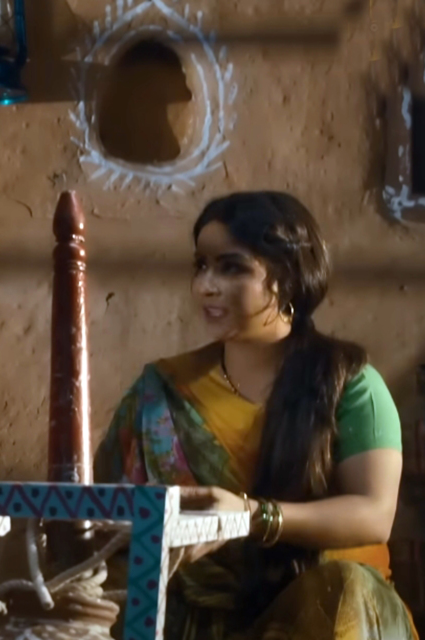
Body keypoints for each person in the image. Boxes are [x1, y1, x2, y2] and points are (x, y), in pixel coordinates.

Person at [94, 192, 418, 639]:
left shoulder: (347, 384)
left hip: (322, 618)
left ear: (287, 279)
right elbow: (103, 520)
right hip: (191, 621)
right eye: (201, 266)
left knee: (344, 590)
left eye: (232, 268)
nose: (206, 286)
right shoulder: (162, 392)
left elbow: (374, 515)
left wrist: (250, 516)